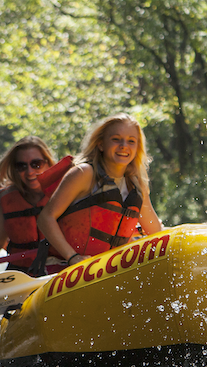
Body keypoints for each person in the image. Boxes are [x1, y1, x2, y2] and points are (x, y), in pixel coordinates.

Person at [37, 113, 163, 266]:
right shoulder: (84, 173)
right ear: (101, 144)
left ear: (137, 149)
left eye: (131, 141)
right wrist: (73, 257)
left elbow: (156, 233)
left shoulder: (136, 184)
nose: (124, 145)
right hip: (66, 267)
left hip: (108, 271)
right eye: (116, 139)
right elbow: (46, 218)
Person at [0, 136, 56, 272]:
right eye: (21, 166)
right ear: (15, 170)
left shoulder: (65, 193)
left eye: (36, 164)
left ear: (48, 163)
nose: (30, 171)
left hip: (58, 273)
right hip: (20, 273)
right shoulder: (8, 202)